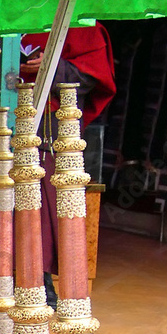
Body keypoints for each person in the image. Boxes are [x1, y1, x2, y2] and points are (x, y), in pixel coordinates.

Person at [21, 25, 116, 307]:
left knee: (43, 203)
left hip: (52, 128)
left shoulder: (82, 23)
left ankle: (42, 279)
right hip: (4, 117)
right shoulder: (14, 9)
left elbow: (92, 77)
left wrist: (53, 67)